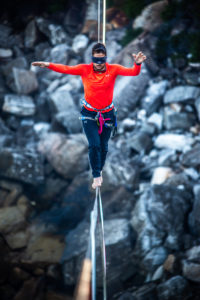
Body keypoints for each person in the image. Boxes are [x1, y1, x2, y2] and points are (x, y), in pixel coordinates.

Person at [32, 43, 146, 189]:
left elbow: (133, 73)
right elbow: (66, 68)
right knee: (93, 144)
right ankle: (96, 176)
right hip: (89, 113)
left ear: (105, 58)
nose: (98, 62)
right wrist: (47, 64)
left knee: (104, 145)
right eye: (95, 58)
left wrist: (137, 64)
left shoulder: (114, 69)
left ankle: (103, 169)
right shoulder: (85, 69)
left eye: (101, 59)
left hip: (106, 113)